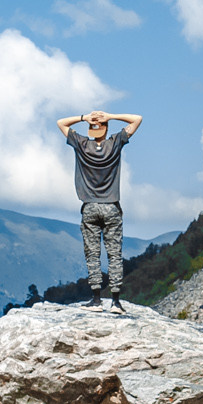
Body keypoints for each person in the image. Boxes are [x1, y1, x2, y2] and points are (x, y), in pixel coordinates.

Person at [58, 108, 143, 313]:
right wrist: (111, 116)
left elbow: (61, 123)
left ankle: (96, 300)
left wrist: (84, 118)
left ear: (91, 130)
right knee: (115, 254)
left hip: (89, 206)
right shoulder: (115, 143)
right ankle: (115, 301)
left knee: (92, 253)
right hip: (112, 205)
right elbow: (137, 119)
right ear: (105, 130)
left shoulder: (82, 144)